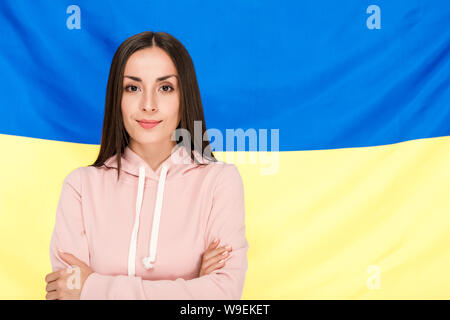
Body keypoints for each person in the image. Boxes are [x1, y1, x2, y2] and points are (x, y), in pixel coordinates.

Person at [44, 31, 249, 300]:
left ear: (183, 96)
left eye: (165, 88)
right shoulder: (81, 186)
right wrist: (193, 285)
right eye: (133, 88)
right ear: (117, 98)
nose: (148, 105)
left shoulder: (220, 181)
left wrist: (92, 287)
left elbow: (223, 296)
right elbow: (66, 293)